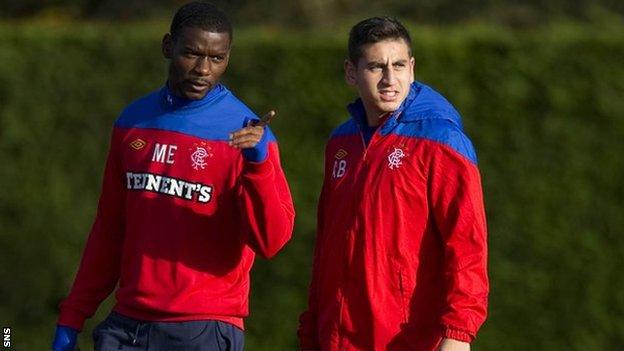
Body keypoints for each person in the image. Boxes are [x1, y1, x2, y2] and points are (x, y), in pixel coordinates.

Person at [51, 2, 295, 350]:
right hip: (127, 325)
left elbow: (273, 240)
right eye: (192, 54)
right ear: (168, 46)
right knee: (9, 340)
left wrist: (257, 165)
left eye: (217, 58)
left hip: (203, 329)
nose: (203, 70)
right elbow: (109, 228)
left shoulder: (248, 134)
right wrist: (73, 316)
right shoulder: (132, 121)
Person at [298, 17, 488, 351]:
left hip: (407, 339)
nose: (389, 79)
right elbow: (326, 246)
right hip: (337, 337)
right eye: (375, 67)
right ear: (351, 72)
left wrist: (458, 333)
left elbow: (467, 243)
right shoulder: (340, 142)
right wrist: (312, 328)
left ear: (412, 68)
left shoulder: (441, 140)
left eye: (398, 65)